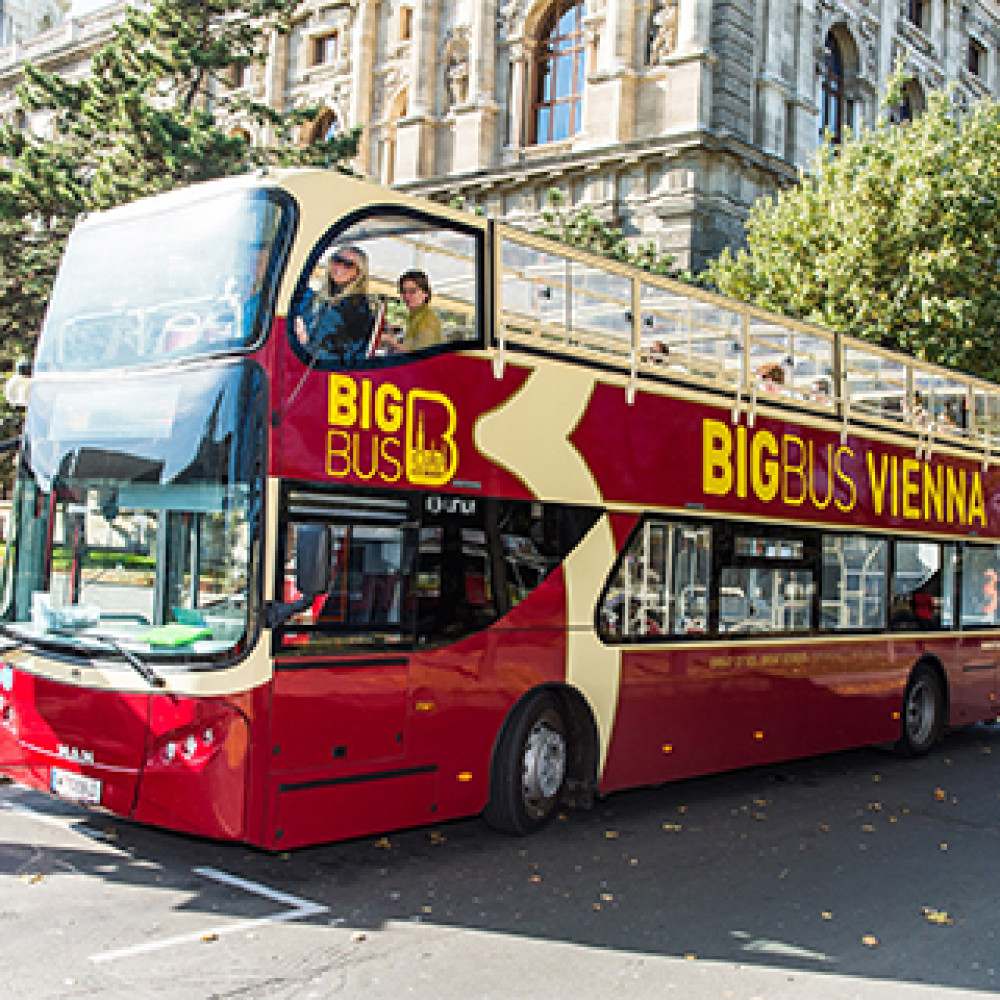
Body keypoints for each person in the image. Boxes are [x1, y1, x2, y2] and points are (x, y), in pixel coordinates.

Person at [294, 245, 376, 366]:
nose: (340, 266)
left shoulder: (357, 308)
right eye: (337, 260)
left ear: (358, 273)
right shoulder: (320, 299)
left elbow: (346, 355)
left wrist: (306, 343)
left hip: (325, 375)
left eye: (348, 264)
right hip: (302, 363)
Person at [387, 269, 442, 353]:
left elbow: (421, 357)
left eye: (412, 291)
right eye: (403, 291)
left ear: (425, 294)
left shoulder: (428, 319)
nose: (406, 296)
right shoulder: (415, 317)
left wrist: (391, 342)